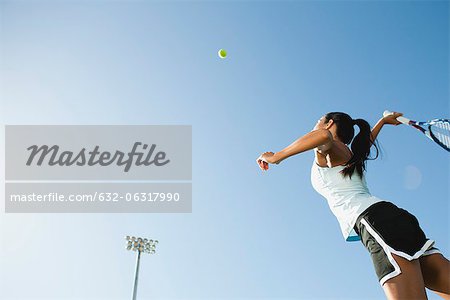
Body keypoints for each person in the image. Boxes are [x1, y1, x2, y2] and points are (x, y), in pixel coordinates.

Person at [256, 111, 450, 300]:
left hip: (376, 222)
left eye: (318, 120)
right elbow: (365, 143)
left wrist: (276, 157)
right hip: (395, 219)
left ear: (330, 123)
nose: (315, 126)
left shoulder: (329, 150)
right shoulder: (349, 156)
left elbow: (323, 136)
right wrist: (382, 121)